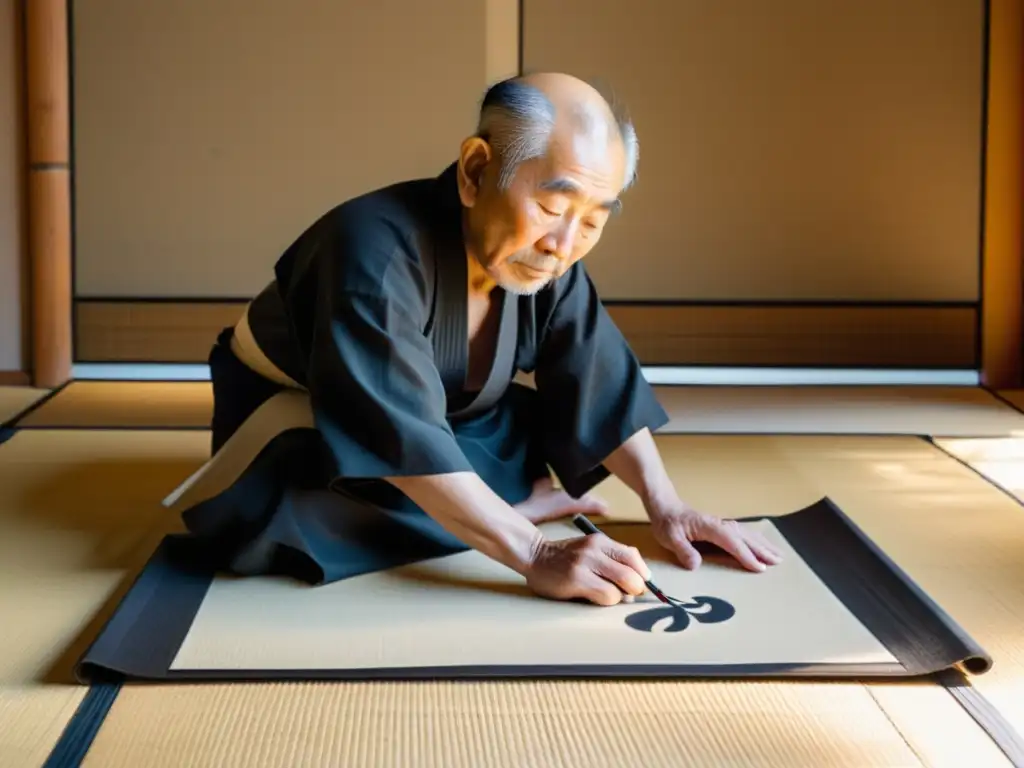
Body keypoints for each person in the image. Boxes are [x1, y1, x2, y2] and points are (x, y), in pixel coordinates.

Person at [178, 72, 781, 606]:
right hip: (304, 426)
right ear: (475, 170)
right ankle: (485, 511)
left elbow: (596, 381)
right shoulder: (370, 250)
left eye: (594, 220)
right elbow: (396, 435)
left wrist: (667, 505)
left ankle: (475, 509)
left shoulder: (547, 257)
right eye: (552, 207)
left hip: (439, 416)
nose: (565, 244)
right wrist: (534, 553)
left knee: (524, 433)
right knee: (285, 516)